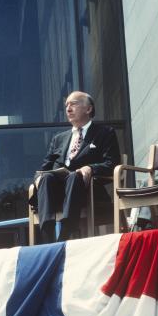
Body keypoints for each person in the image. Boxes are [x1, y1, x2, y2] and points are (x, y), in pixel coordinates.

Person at [29, 91, 121, 243]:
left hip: (87, 192)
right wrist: (38, 179)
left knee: (74, 175)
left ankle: (66, 233)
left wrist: (91, 168)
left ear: (88, 109)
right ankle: (47, 237)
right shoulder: (59, 139)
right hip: (56, 194)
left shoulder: (105, 133)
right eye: (66, 105)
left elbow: (112, 164)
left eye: (73, 104)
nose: (68, 108)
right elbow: (43, 168)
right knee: (45, 178)